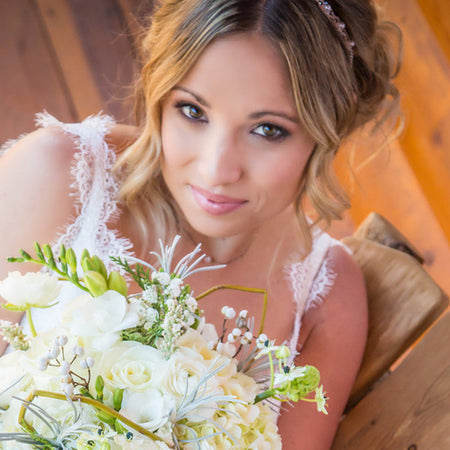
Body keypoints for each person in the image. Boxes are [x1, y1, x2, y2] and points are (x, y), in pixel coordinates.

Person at [0, 0, 401, 447]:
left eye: (268, 130)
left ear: (327, 131)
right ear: (158, 92)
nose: (216, 170)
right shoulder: (58, 173)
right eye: (193, 111)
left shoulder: (327, 296)